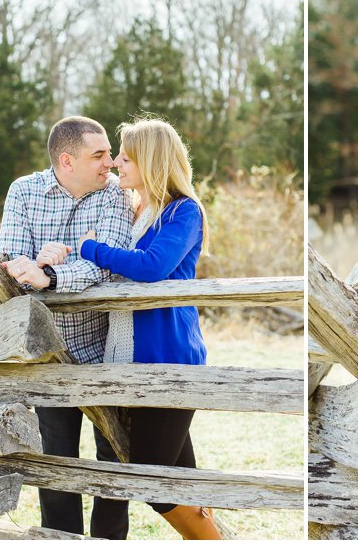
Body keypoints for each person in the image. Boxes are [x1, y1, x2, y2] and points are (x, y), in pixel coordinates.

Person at [45, 116, 221, 539]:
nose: (117, 164)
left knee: (154, 482)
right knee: (181, 476)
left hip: (169, 359)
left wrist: (89, 247)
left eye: (126, 156)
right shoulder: (138, 209)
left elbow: (152, 266)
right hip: (131, 360)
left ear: (151, 161)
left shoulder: (183, 211)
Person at [0, 116, 134, 538]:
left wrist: (52, 276)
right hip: (48, 353)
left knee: (114, 462)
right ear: (66, 160)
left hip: (105, 349)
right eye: (100, 155)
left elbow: (107, 268)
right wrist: (37, 264)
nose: (111, 162)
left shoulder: (113, 195)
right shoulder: (24, 191)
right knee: (56, 459)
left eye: (109, 153)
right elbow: (11, 261)